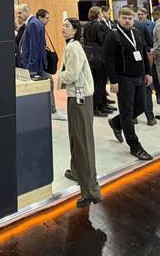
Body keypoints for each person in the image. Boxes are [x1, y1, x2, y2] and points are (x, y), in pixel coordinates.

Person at [58, 18, 102, 208]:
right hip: (77, 97)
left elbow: (72, 75)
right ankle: (76, 171)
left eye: (67, 26)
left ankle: (91, 191)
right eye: (63, 25)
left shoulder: (73, 48)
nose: (63, 28)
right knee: (76, 139)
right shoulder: (72, 46)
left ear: (75, 30)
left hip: (79, 98)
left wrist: (57, 77)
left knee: (83, 143)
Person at [102, 7, 154, 161]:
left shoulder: (136, 33)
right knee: (127, 112)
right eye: (124, 18)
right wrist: (113, 81)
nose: (127, 21)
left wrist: (148, 72)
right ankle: (135, 146)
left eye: (130, 18)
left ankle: (116, 122)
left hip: (139, 77)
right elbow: (108, 60)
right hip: (123, 79)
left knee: (141, 107)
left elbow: (143, 53)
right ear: (118, 18)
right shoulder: (113, 35)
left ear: (133, 20)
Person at [21, 9, 66, 119]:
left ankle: (51, 110)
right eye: (47, 18)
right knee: (48, 83)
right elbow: (34, 47)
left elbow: (35, 46)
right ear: (40, 17)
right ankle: (52, 110)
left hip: (36, 65)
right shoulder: (34, 24)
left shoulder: (34, 23)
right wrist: (31, 67)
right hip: (35, 65)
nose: (48, 20)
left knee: (48, 82)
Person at [83, 7, 113, 117]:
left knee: (96, 82)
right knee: (100, 83)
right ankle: (96, 107)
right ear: (98, 14)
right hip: (100, 57)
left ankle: (102, 105)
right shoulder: (99, 25)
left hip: (91, 57)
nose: (102, 14)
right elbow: (102, 40)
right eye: (100, 12)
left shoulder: (86, 25)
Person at [133, 9, 156, 126]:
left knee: (132, 90)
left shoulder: (118, 27)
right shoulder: (142, 25)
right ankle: (150, 117)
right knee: (146, 88)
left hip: (130, 65)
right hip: (143, 60)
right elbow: (150, 43)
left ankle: (134, 117)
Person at [138, 8, 160, 105]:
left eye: (141, 14)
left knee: (154, 75)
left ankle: (158, 95)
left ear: (146, 14)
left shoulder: (152, 25)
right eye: (138, 14)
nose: (140, 16)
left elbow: (155, 39)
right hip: (140, 54)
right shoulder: (136, 24)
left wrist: (153, 51)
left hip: (151, 52)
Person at [14, 4, 30, 68]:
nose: (18, 15)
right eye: (17, 13)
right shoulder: (23, 27)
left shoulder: (25, 27)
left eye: (19, 13)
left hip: (23, 59)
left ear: (26, 12)